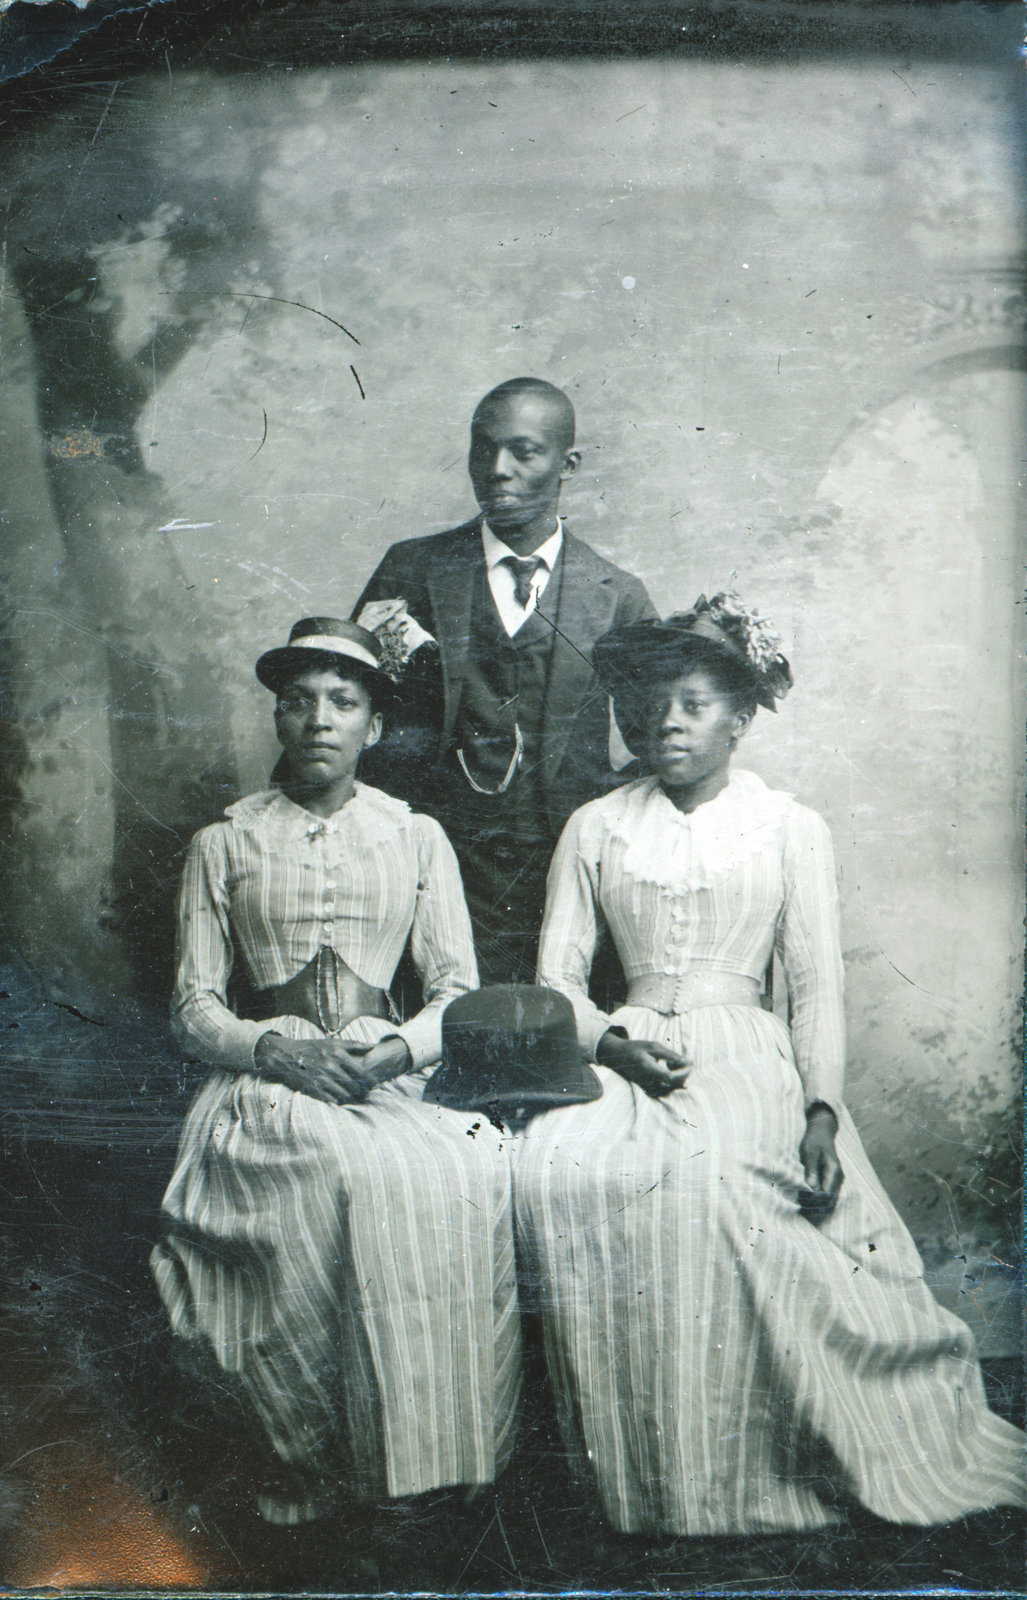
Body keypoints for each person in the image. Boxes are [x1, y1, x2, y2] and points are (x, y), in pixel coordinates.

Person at [514, 595, 1026, 1538]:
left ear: (739, 718)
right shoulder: (595, 826)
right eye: (648, 702)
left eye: (694, 702)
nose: (665, 720)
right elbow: (556, 983)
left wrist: (821, 1111)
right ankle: (644, 1470)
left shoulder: (789, 827)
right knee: (564, 1169)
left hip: (745, 1043)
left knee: (718, 1188)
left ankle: (738, 1466)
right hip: (622, 1046)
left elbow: (816, 989)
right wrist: (611, 1044)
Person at [150, 619, 520, 1530]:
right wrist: (274, 1050)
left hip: (380, 1067)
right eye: (299, 700)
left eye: (343, 702)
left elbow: (454, 991)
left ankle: (431, 1463)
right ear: (278, 716)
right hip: (268, 1077)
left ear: (374, 727)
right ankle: (318, 1462)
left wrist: (394, 1052)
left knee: (465, 1169)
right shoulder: (223, 841)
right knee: (333, 1176)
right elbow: (194, 1006)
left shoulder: (414, 836)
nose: (320, 718)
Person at [352, 376, 656, 984]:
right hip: (431, 872)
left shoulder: (618, 596)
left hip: (561, 880)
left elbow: (656, 748)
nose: (498, 469)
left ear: (567, 463)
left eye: (525, 451)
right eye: (482, 448)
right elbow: (350, 705)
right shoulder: (411, 568)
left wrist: (594, 829)